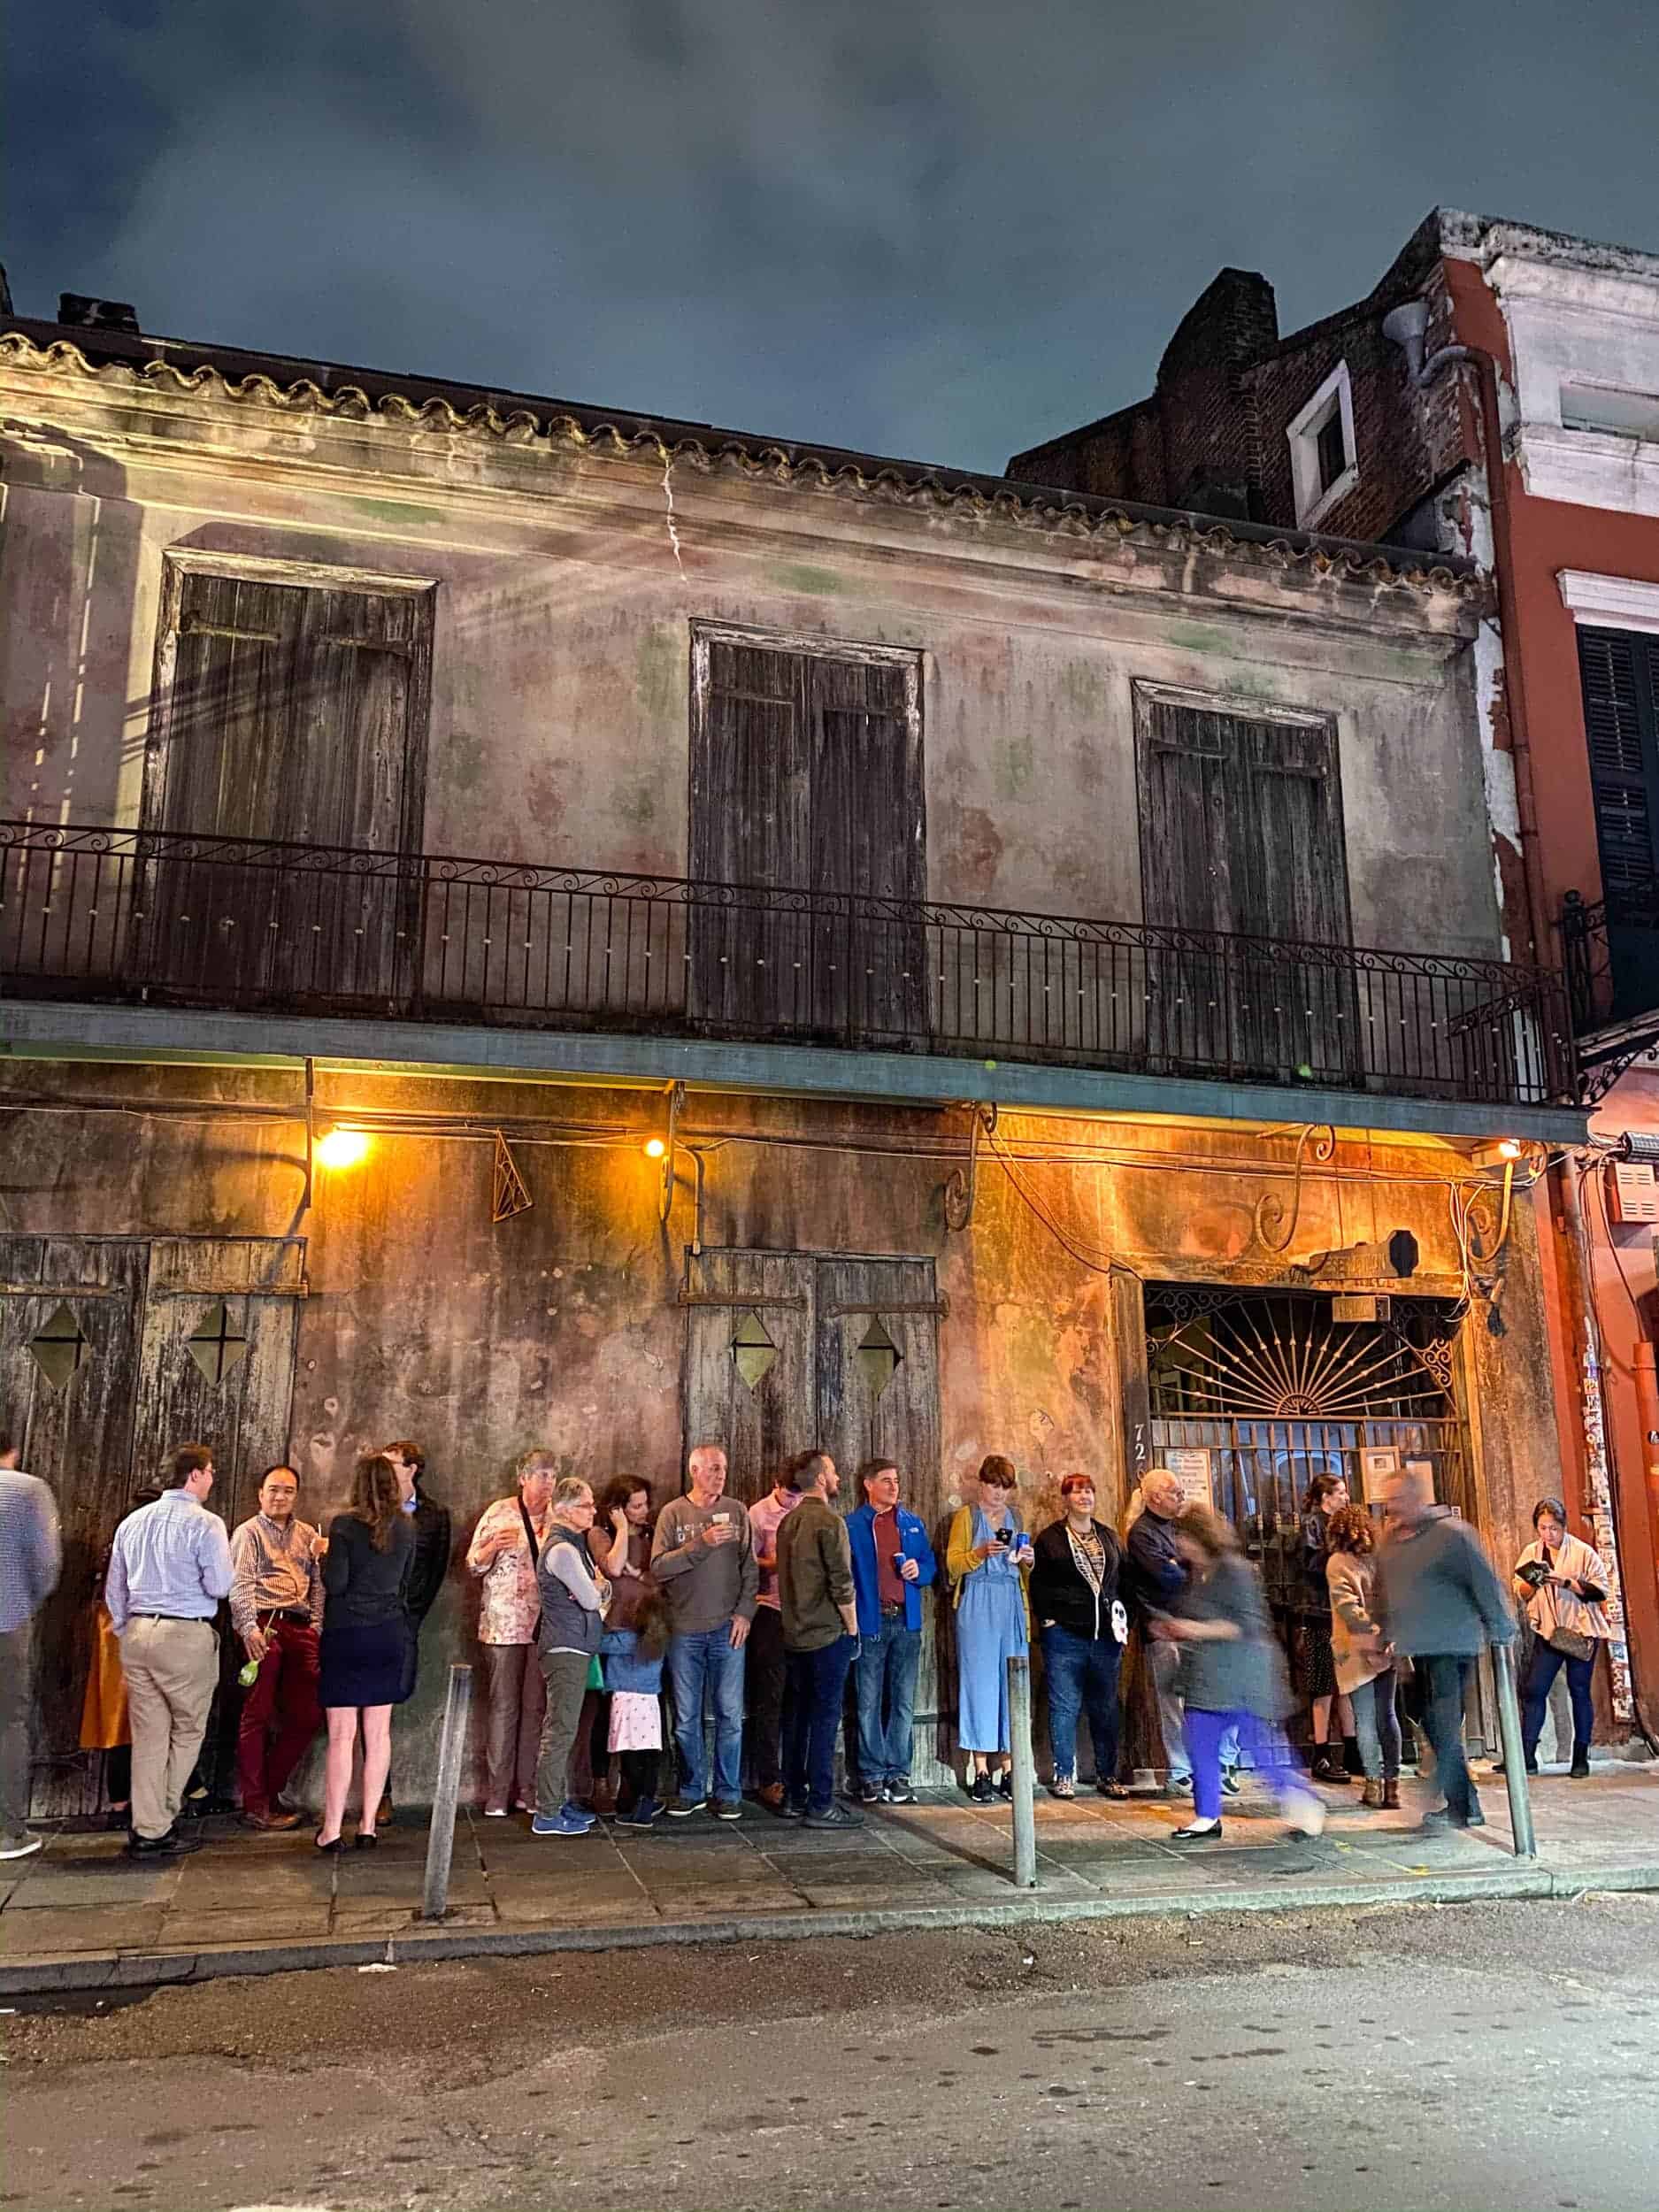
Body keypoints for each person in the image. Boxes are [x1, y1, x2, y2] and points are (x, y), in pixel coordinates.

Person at [1154, 1502, 1325, 1845]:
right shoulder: (1197, 1577)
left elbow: (1246, 1624)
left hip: (1243, 1676)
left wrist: (1192, 1629)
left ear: (1199, 1537)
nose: (1179, 1546)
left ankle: (1304, 1803)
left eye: (1183, 1538)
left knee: (1259, 1746)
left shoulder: (1234, 1570)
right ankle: (1207, 1816)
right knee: (1200, 1743)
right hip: (1207, 1680)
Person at [104, 1442, 233, 1859]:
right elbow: (220, 1586)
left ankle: (146, 1828)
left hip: (138, 1633)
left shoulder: (133, 1522)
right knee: (188, 1729)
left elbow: (114, 1589)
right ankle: (159, 1820)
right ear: (194, 1475)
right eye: (210, 1472)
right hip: (184, 1634)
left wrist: (126, 1629)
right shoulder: (206, 1523)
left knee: (149, 1737)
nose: (212, 1480)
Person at [1372, 1466, 1516, 1832]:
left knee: (1441, 1720)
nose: (1394, 1509)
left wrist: (1500, 1628)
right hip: (1417, 1646)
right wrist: (1382, 1635)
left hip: (1453, 1645)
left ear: (1419, 1498)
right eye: (1389, 1503)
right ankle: (1464, 1804)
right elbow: (1383, 1591)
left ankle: (1453, 1800)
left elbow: (1483, 1582)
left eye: (1400, 1501)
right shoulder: (1390, 1542)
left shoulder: (1452, 1535)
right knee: (1427, 1720)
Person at [651, 1442, 757, 1820]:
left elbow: (750, 1568)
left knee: (730, 1713)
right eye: (712, 1468)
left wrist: (745, 1613)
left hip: (728, 1629)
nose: (719, 1474)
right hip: (684, 1630)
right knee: (686, 1715)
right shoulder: (673, 1514)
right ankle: (692, 1788)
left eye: (723, 1468)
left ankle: (728, 1792)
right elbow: (659, 1567)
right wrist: (700, 1545)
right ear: (694, 1471)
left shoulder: (736, 1511)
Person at [316, 1452, 415, 1851]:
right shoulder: (407, 1528)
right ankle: (369, 1826)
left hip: (346, 1633)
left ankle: (332, 1830)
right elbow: (405, 1581)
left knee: (342, 1736)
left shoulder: (343, 1526)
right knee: (379, 1733)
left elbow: (336, 1584)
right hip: (389, 1632)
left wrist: (322, 1555)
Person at [1124, 1470, 1240, 1799]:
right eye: (1174, 1492)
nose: (1181, 1496)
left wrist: (1183, 1565)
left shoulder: (1180, 1528)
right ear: (1154, 1496)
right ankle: (1179, 1769)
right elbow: (1168, 1577)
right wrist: (1186, 1566)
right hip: (1164, 1626)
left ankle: (1219, 1765)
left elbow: (1193, 1570)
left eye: (1181, 1491)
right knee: (1172, 1703)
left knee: (1208, 1699)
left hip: (1194, 1627)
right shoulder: (1142, 1533)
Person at [228, 1464, 324, 1831]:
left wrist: (315, 1628)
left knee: (308, 1716)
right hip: (264, 1626)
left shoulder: (307, 1534)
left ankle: (270, 1791)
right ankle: (256, 1805)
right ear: (260, 1494)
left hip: (300, 1627)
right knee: (258, 1713)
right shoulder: (248, 1533)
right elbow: (241, 1584)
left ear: (296, 1494)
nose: (279, 1496)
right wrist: (248, 1629)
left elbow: (318, 1584)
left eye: (287, 1490)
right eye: (273, 1490)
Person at [466, 1448, 557, 1817]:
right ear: (523, 1477)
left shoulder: (560, 1516)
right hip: (503, 1625)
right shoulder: (499, 1512)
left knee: (536, 1708)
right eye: (541, 1475)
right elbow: (473, 1565)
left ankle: (528, 1789)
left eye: (552, 1475)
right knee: (504, 1707)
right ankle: (497, 1793)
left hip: (545, 1624)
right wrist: (490, 1546)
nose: (547, 1482)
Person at [775, 1448, 862, 1830]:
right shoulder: (830, 1521)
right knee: (826, 1720)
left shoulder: (787, 1522)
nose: (839, 1478)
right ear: (821, 1479)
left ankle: (793, 1795)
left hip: (793, 1633)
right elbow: (841, 1584)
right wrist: (853, 1629)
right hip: (827, 1635)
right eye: (834, 1471)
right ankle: (821, 1802)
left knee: (796, 1718)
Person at [1031, 1472, 1126, 1800]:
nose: (1084, 1496)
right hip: (1065, 1637)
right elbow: (1039, 1583)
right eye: (1077, 1492)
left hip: (1106, 1638)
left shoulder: (1110, 1538)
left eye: (1089, 1491)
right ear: (1065, 1499)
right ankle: (1063, 1774)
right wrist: (1048, 1621)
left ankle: (1107, 1773)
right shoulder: (1050, 1539)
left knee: (1105, 1707)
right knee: (1064, 1706)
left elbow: (1122, 1582)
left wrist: (1125, 1621)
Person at [846, 1459, 937, 1806]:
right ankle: (870, 1775)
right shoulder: (853, 1525)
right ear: (868, 1485)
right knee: (868, 1701)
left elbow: (931, 1565)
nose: (893, 1487)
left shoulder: (912, 1524)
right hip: (871, 1622)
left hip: (907, 1622)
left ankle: (898, 1774)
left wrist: (920, 1571)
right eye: (886, 1481)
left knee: (902, 1703)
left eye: (896, 1481)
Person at [946, 1455, 1033, 1802]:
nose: (999, 1493)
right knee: (980, 1683)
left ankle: (1010, 1768)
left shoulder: (1016, 1518)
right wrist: (979, 1552)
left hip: (1010, 1600)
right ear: (981, 1484)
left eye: (1005, 1487)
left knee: (1011, 1681)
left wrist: (1027, 1559)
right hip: (978, 1602)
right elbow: (952, 1563)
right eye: (994, 1485)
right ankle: (980, 1768)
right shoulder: (966, 1518)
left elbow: (1025, 1569)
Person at [1512, 1496, 1614, 1779]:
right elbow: (1521, 1592)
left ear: (1564, 1526)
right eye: (1543, 1528)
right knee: (1534, 1689)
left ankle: (1581, 1755)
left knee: (1579, 1690)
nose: (1548, 1534)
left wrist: (1567, 1583)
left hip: (1580, 1631)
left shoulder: (1583, 1552)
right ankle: (1527, 1754)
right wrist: (1533, 1582)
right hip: (1549, 1632)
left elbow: (1601, 1590)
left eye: (1554, 1528)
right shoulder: (1532, 1552)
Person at [531, 1476, 610, 1837]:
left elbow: (599, 1588)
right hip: (566, 1647)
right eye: (587, 1505)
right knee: (560, 1730)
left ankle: (555, 1802)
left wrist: (596, 1587)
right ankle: (546, 1813)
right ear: (564, 1510)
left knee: (564, 1728)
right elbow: (594, 1599)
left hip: (574, 1644)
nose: (593, 1510)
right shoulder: (562, 1551)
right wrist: (594, 1589)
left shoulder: (571, 1547)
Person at [1, 1435, 61, 1861]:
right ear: (12, 1453)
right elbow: (46, 1564)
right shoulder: (26, 1489)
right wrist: (25, 1600)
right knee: (9, 1724)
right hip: (7, 1619)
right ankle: (7, 1832)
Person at [585, 1476, 657, 1813]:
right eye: (635, 1506)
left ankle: (633, 1787)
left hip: (645, 1633)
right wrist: (622, 1529)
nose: (644, 1512)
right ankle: (601, 1782)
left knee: (641, 1712)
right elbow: (613, 1567)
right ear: (617, 1508)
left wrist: (640, 1574)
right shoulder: (600, 1534)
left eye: (646, 1504)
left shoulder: (654, 1534)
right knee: (605, 1711)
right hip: (611, 1632)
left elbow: (661, 1581)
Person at [1324, 1502, 1401, 1809]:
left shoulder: (1337, 1563)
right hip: (1388, 1645)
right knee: (1388, 1715)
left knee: (1365, 1721)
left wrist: (1370, 1629)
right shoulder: (1381, 1560)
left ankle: (1372, 1786)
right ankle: (1392, 1787)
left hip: (1354, 1647)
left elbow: (1347, 1607)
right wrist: (1389, 1633)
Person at [746, 1466, 804, 1810]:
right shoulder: (758, 1513)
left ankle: (796, 1774)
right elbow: (747, 1561)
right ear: (776, 1485)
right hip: (770, 1611)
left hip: (803, 1615)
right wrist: (776, 1562)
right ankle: (769, 1779)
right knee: (769, 1700)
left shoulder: (806, 1511)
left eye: (799, 1494)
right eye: (789, 1494)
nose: (794, 1501)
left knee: (798, 1700)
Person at [1297, 1473, 1356, 1783]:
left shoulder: (1342, 1525)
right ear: (1326, 1497)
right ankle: (1320, 1752)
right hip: (1320, 1613)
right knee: (1323, 1685)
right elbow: (1310, 1566)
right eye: (1341, 1492)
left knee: (1347, 1682)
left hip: (1339, 1613)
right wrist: (1336, 1552)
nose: (1346, 1498)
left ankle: (1352, 1747)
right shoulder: (1314, 1525)